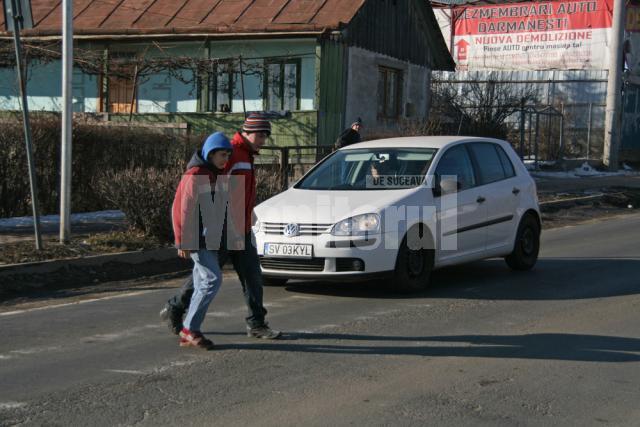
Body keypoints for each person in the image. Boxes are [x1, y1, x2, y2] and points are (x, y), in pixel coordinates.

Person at [161, 113, 281, 340]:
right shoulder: (231, 153)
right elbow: (211, 190)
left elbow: (239, 192)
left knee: (251, 276)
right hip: (224, 229)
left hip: (240, 227)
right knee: (206, 276)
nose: (264, 139)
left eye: (266, 135)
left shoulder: (245, 154)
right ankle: (176, 308)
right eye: (260, 134)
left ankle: (256, 323)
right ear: (246, 132)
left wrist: (249, 212)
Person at [172, 132, 232, 349]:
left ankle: (188, 330)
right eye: (222, 154)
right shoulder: (197, 174)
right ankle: (190, 328)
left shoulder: (214, 174)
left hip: (210, 238)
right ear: (210, 153)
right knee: (212, 280)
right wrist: (183, 241)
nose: (225, 159)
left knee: (201, 283)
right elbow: (182, 209)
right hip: (197, 239)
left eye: (227, 154)